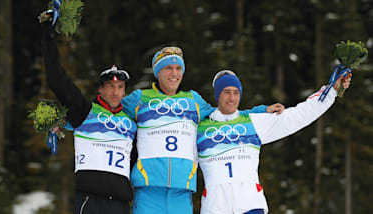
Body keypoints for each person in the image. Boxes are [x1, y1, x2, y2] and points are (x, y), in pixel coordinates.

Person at [121, 47, 281, 214]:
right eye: (168, 68)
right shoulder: (140, 98)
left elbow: (224, 114)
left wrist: (260, 111)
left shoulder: (192, 100)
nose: (174, 73)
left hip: (181, 189)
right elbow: (112, 111)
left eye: (178, 68)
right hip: (149, 187)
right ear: (157, 71)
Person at [196, 70, 351, 214]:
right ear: (217, 95)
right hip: (215, 207)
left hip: (250, 205)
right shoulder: (200, 129)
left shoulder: (252, 122)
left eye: (236, 93)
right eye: (226, 92)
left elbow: (297, 116)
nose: (232, 98)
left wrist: (331, 91)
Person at [41, 16, 136, 214]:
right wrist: (48, 35)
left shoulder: (131, 122)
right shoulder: (85, 112)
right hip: (91, 200)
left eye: (120, 87)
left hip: (120, 204)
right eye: (110, 86)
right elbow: (57, 79)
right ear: (100, 89)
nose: (115, 92)